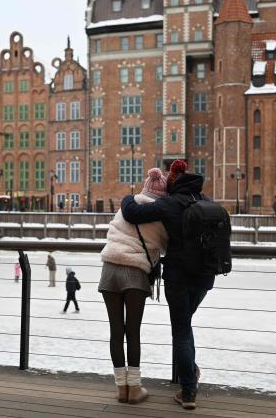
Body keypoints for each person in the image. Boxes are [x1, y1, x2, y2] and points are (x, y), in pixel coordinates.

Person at [119, 160, 211, 410]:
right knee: (186, 326)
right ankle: (190, 375)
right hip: (204, 278)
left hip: (179, 277)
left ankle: (189, 391)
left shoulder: (170, 203)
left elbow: (132, 213)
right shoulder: (206, 201)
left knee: (181, 331)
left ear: (173, 183)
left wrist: (128, 197)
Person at [99, 168, 169, 404]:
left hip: (109, 269)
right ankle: (135, 388)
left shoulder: (125, 207)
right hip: (134, 273)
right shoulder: (160, 216)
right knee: (133, 331)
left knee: (116, 332)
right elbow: (166, 247)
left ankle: (121, 389)